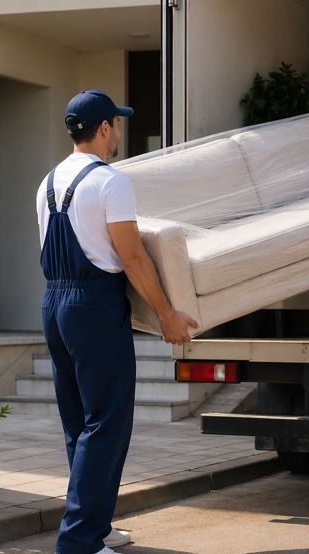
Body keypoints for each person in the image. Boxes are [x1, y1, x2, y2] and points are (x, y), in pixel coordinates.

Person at [36, 89, 197, 554]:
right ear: (105, 128)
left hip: (55, 302)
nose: (119, 132)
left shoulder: (47, 182)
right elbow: (132, 257)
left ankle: (95, 527)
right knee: (106, 424)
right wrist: (166, 314)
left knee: (80, 424)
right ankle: (80, 542)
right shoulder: (110, 182)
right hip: (93, 305)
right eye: (118, 124)